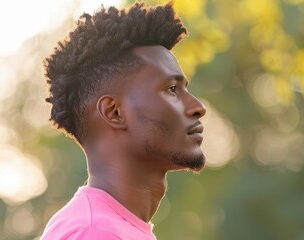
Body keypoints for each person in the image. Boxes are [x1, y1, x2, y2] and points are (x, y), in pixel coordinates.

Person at [40, 2, 207, 239]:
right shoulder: (96, 232)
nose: (197, 108)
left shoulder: (108, 228)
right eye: (171, 89)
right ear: (114, 112)